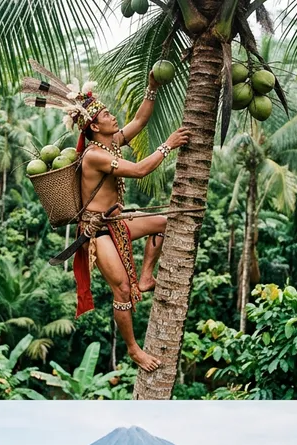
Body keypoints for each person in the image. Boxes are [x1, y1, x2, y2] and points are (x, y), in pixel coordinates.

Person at [22, 61, 190, 372]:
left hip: (118, 221)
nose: (113, 117)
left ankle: (147, 275)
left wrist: (152, 87)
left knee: (166, 223)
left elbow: (140, 120)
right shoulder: (95, 155)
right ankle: (133, 349)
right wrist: (169, 146)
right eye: (106, 115)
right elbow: (139, 171)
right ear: (95, 127)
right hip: (98, 233)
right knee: (122, 291)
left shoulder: (111, 144)